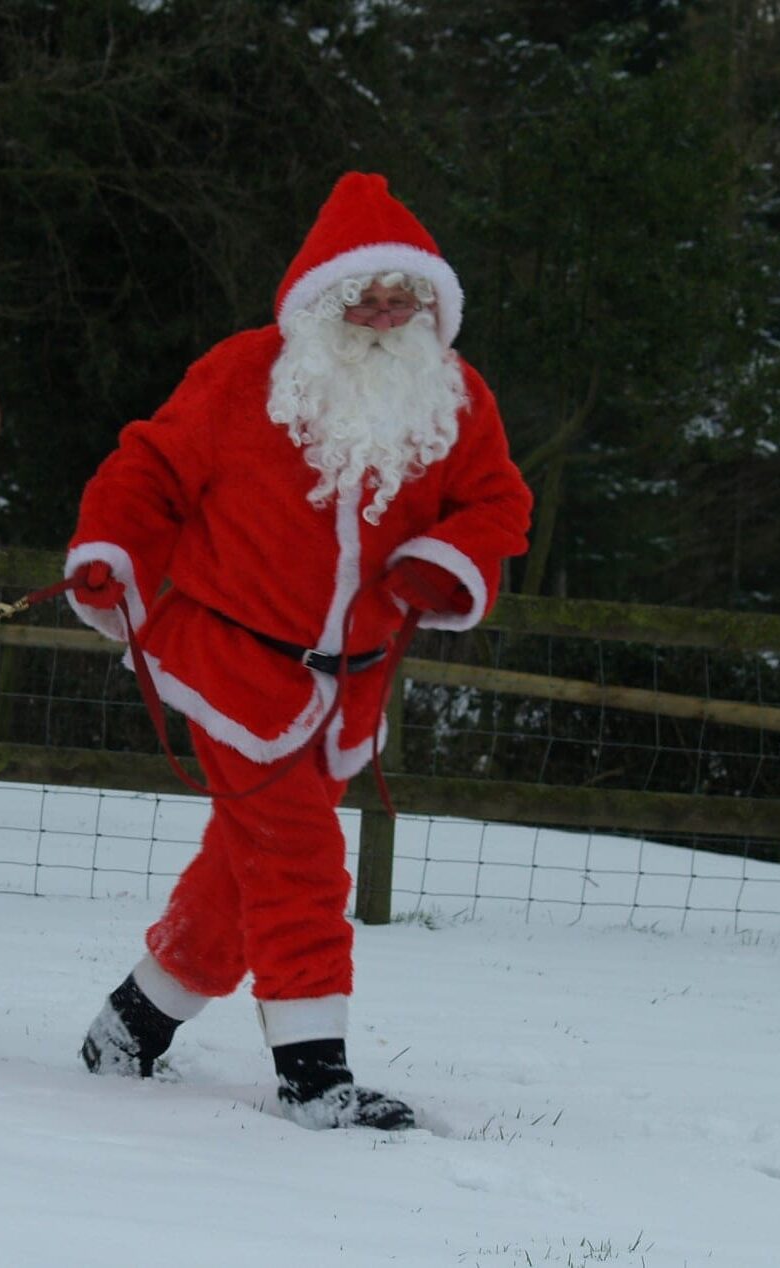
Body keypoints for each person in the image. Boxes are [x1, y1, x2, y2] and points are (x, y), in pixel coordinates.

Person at [64, 171, 533, 1130]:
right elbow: (147, 469)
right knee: (300, 861)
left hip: (351, 686)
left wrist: (443, 563)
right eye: (366, 292)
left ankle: (133, 1021)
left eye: (405, 295)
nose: (384, 311)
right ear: (320, 294)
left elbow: (498, 504)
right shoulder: (242, 375)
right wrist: (111, 554)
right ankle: (314, 1076)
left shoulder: (455, 396)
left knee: (245, 867)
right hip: (232, 662)